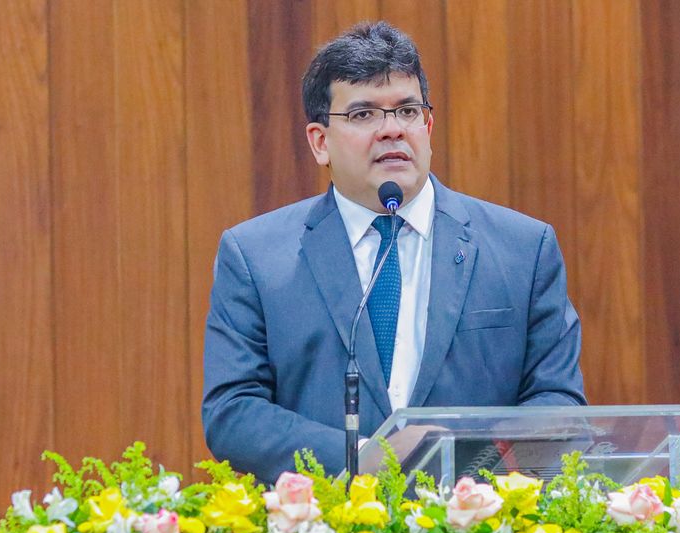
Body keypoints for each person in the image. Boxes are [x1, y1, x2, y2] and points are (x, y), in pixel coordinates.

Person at [203, 22, 585, 485]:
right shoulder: (257, 257)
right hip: (325, 521)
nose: (392, 130)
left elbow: (558, 402)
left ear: (428, 126)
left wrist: (465, 464)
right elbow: (232, 412)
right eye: (364, 114)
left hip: (478, 519)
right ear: (320, 142)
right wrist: (361, 457)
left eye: (407, 110)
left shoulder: (522, 249)